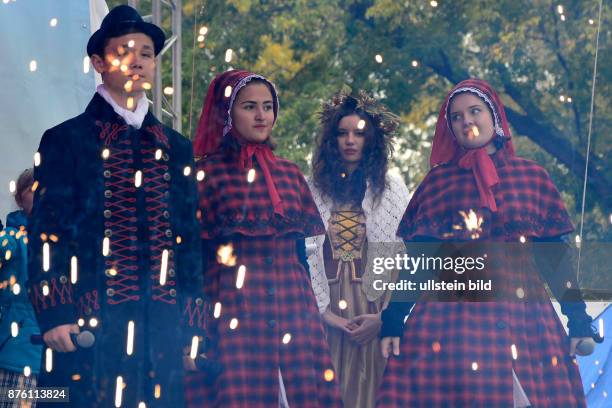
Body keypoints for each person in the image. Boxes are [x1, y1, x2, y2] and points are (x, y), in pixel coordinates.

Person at [377, 79, 597, 407]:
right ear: (450, 128)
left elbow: (554, 259)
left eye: (474, 111)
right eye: (456, 117)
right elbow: (420, 261)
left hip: (524, 318)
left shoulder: (531, 176)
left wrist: (578, 319)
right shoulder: (439, 182)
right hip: (452, 321)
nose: (467, 121)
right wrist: (393, 319)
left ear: (494, 116)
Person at [27, 6, 204, 407]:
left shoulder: (176, 148)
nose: (138, 60)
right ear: (98, 62)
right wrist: (55, 312)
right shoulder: (66, 139)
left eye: (146, 52)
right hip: (86, 323)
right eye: (125, 50)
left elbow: (189, 243)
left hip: (162, 328)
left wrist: (193, 328)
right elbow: (47, 232)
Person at [186, 69, 342, 407]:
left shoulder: (289, 173)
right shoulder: (203, 174)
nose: (261, 115)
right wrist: (192, 328)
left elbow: (302, 252)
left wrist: (312, 309)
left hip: (292, 304)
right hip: (233, 308)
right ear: (226, 112)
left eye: (268, 106)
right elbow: (191, 261)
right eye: (249, 106)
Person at [306, 90, 409, 407]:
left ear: (371, 140)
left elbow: (404, 259)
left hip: (376, 308)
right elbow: (304, 255)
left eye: (359, 133)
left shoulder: (391, 189)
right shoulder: (312, 187)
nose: (350, 140)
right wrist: (327, 316)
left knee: (376, 390)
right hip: (327, 309)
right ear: (331, 139)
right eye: (342, 132)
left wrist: (383, 318)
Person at [0, 169, 42, 407]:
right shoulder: (12, 237)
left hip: (56, 362)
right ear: (19, 198)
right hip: (16, 358)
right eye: (33, 188)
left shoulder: (70, 242)